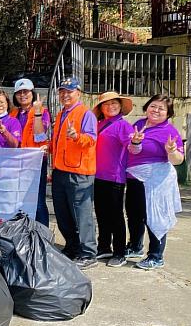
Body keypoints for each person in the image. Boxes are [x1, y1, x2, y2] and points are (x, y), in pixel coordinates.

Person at [125, 94, 184, 270]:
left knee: (155, 216)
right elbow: (134, 152)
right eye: (153, 106)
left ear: (168, 113)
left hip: (157, 181)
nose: (156, 110)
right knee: (135, 215)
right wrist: (135, 142)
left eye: (161, 108)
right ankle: (135, 247)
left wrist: (171, 151)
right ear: (147, 107)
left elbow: (178, 160)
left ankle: (156, 256)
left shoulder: (170, 131)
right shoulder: (139, 125)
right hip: (135, 178)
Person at [50, 76, 99, 269]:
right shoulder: (62, 114)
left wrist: (76, 136)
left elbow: (91, 139)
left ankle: (88, 253)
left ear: (78, 93)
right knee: (63, 213)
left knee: (82, 214)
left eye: (69, 91)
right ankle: (72, 247)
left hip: (79, 172)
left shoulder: (85, 114)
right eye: (62, 91)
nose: (65, 95)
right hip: (60, 170)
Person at [93, 91, 135, 267]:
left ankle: (119, 252)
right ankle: (104, 246)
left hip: (115, 177)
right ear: (101, 108)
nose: (110, 107)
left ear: (120, 106)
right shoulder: (99, 124)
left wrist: (136, 142)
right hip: (97, 175)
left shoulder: (123, 126)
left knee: (116, 216)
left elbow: (132, 147)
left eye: (114, 103)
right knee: (101, 214)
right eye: (106, 104)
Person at [10, 78, 51, 226]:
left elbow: (40, 136)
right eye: (19, 93)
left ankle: (43, 236)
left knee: (38, 200)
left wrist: (38, 113)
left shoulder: (42, 112)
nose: (22, 95)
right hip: (17, 162)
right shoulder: (13, 113)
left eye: (26, 92)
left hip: (35, 161)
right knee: (19, 199)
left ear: (32, 93)